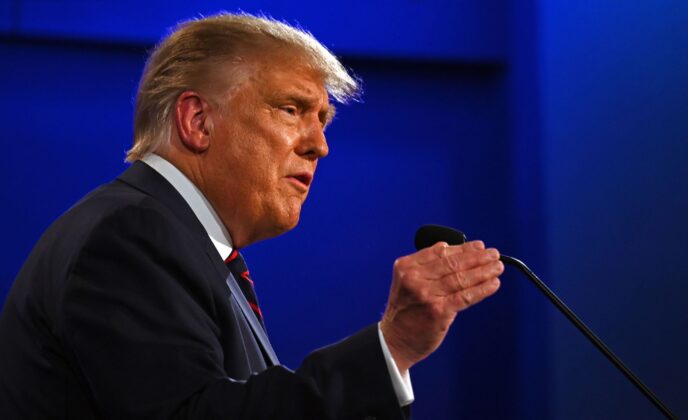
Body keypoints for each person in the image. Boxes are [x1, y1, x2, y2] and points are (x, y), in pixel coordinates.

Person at [0, 12, 504, 419]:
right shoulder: (130, 235)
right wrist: (389, 347)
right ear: (198, 121)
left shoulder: (189, 246)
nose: (320, 146)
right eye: (291, 110)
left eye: (323, 120)